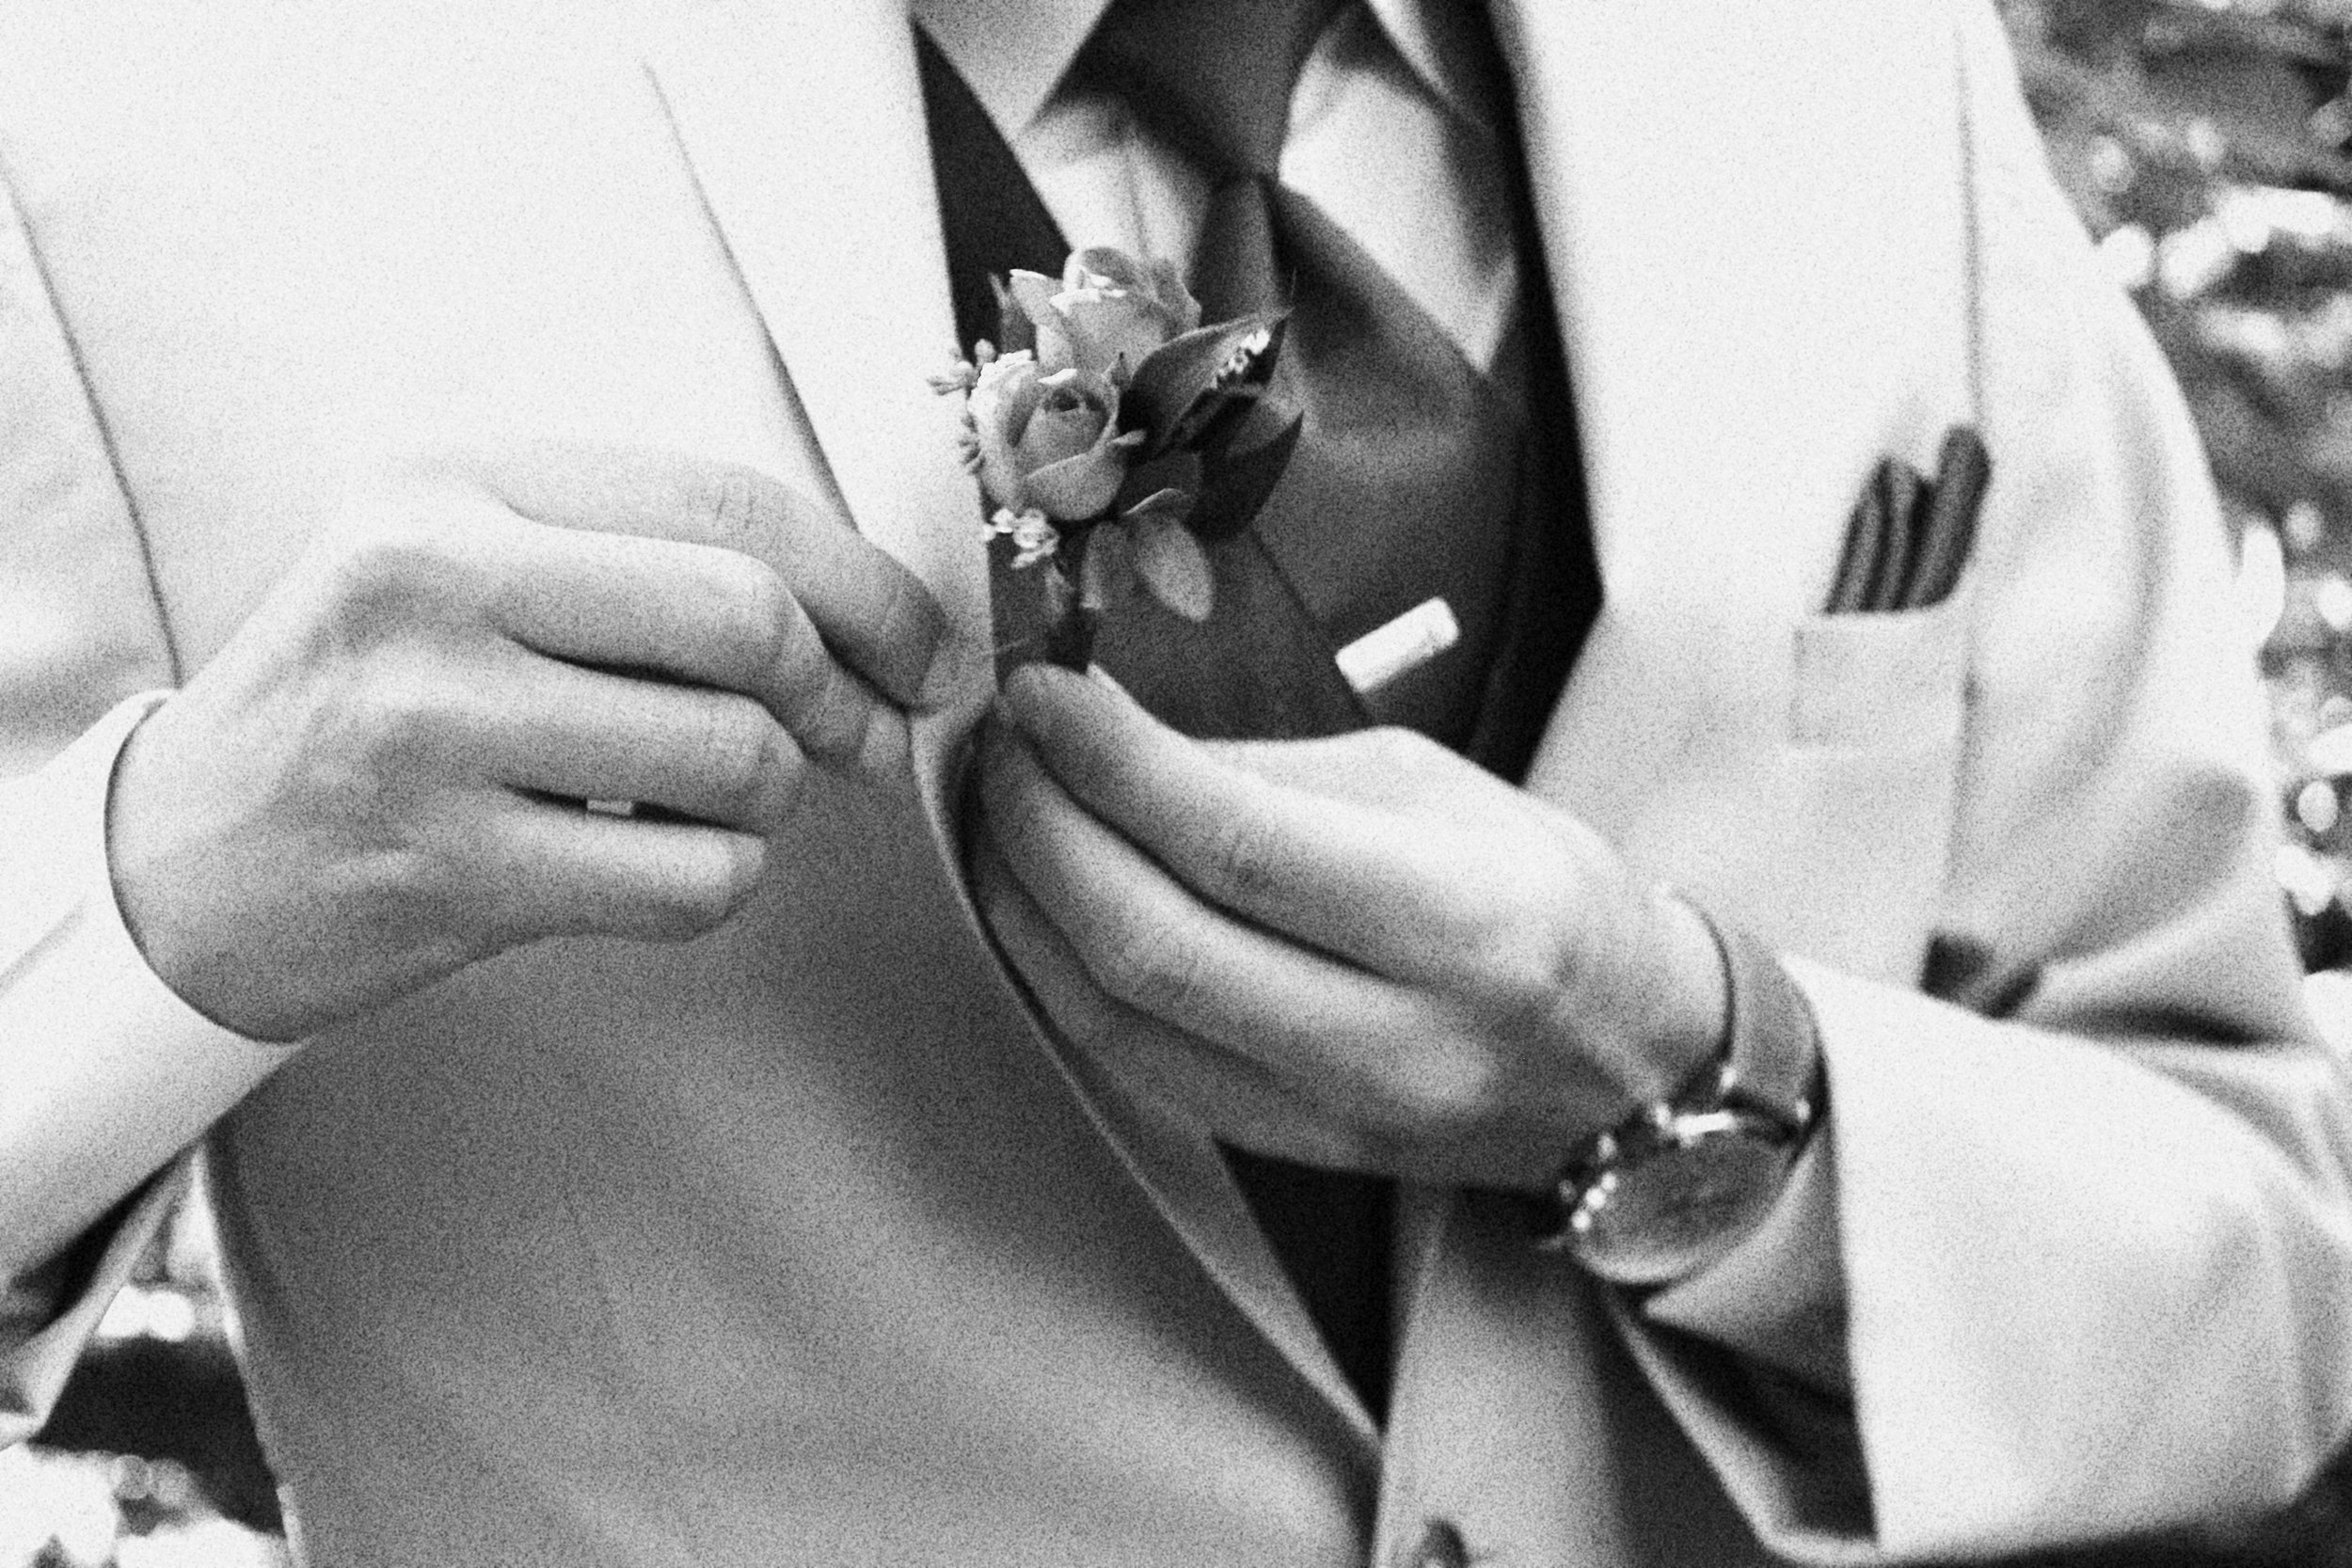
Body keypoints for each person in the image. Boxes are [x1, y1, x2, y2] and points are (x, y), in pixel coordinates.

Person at [1, 0, 2346, 1562]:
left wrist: (1697, 1086)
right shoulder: (102, 138)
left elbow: (2263, 1244)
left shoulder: (1850, 59)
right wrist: (164, 897)